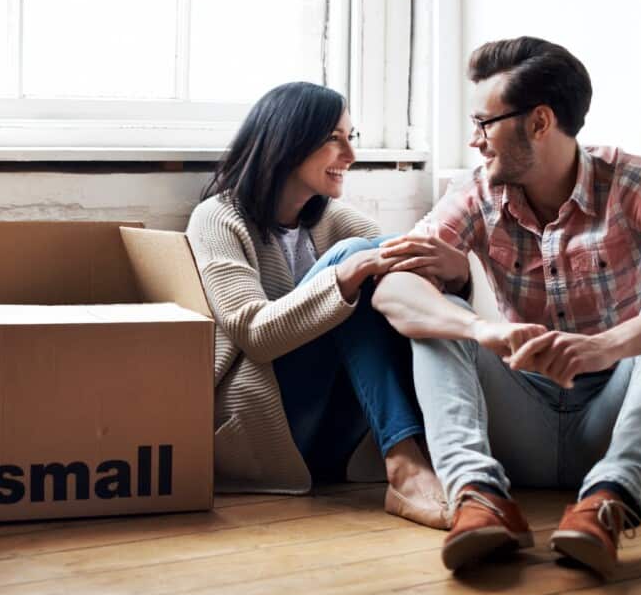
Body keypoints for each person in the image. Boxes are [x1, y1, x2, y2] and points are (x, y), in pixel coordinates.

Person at [373, 36, 641, 575]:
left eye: (485, 123)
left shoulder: (634, 183)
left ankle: (608, 505)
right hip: (518, 419)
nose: (475, 140)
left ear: (539, 122)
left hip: (615, 420)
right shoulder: (476, 191)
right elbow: (391, 288)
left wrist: (604, 346)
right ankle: (478, 500)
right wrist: (482, 330)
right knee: (437, 318)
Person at [186, 81, 449, 529]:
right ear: (288, 140)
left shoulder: (332, 219)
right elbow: (255, 334)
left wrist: (446, 267)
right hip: (267, 428)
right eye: (335, 139)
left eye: (353, 137)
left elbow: (393, 260)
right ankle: (407, 465)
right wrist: (344, 277)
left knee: (380, 260)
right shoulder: (218, 218)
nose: (350, 155)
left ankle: (441, 454)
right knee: (354, 263)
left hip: (334, 436)